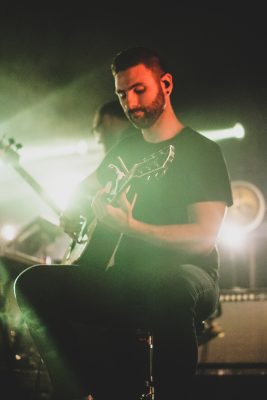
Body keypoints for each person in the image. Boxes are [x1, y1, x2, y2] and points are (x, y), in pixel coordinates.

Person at [14, 46, 233, 400]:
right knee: (31, 284)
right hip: (125, 277)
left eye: (139, 90)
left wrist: (133, 228)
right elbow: (82, 191)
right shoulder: (125, 152)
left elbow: (203, 238)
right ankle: (78, 391)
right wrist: (74, 212)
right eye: (121, 94)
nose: (130, 103)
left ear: (166, 83)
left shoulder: (202, 151)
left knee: (171, 288)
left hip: (189, 273)